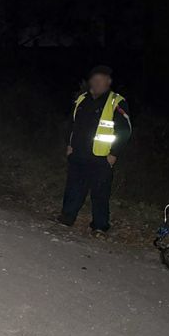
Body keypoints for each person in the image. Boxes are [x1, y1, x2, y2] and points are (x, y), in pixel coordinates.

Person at [58, 65, 132, 236]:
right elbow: (71, 124)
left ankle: (99, 226)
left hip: (101, 157)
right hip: (78, 154)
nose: (98, 83)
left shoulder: (116, 102)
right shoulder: (81, 99)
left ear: (109, 82)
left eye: (102, 80)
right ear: (91, 81)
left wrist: (114, 154)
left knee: (100, 193)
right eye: (95, 79)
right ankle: (67, 217)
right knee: (73, 188)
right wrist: (69, 145)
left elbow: (125, 130)